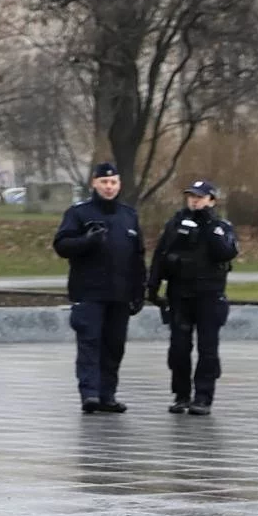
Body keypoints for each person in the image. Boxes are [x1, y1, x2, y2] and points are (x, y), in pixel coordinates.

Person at [51, 160, 145, 414]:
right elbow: (62, 245)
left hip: (119, 294)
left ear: (119, 184)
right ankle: (89, 394)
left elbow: (137, 257)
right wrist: (86, 241)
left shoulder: (129, 215)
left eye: (113, 182)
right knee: (90, 343)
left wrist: (139, 291)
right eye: (104, 182)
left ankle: (107, 395)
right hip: (89, 292)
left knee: (114, 346)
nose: (109, 187)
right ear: (94, 183)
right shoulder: (79, 213)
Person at [147, 178, 239, 416]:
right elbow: (161, 255)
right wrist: (152, 286)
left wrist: (209, 226)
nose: (194, 201)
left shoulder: (220, 226)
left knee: (208, 349)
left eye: (200, 197)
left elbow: (226, 252)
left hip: (209, 296)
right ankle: (181, 395)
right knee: (178, 349)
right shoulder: (176, 223)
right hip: (180, 295)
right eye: (191, 196)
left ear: (211, 200)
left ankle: (203, 397)